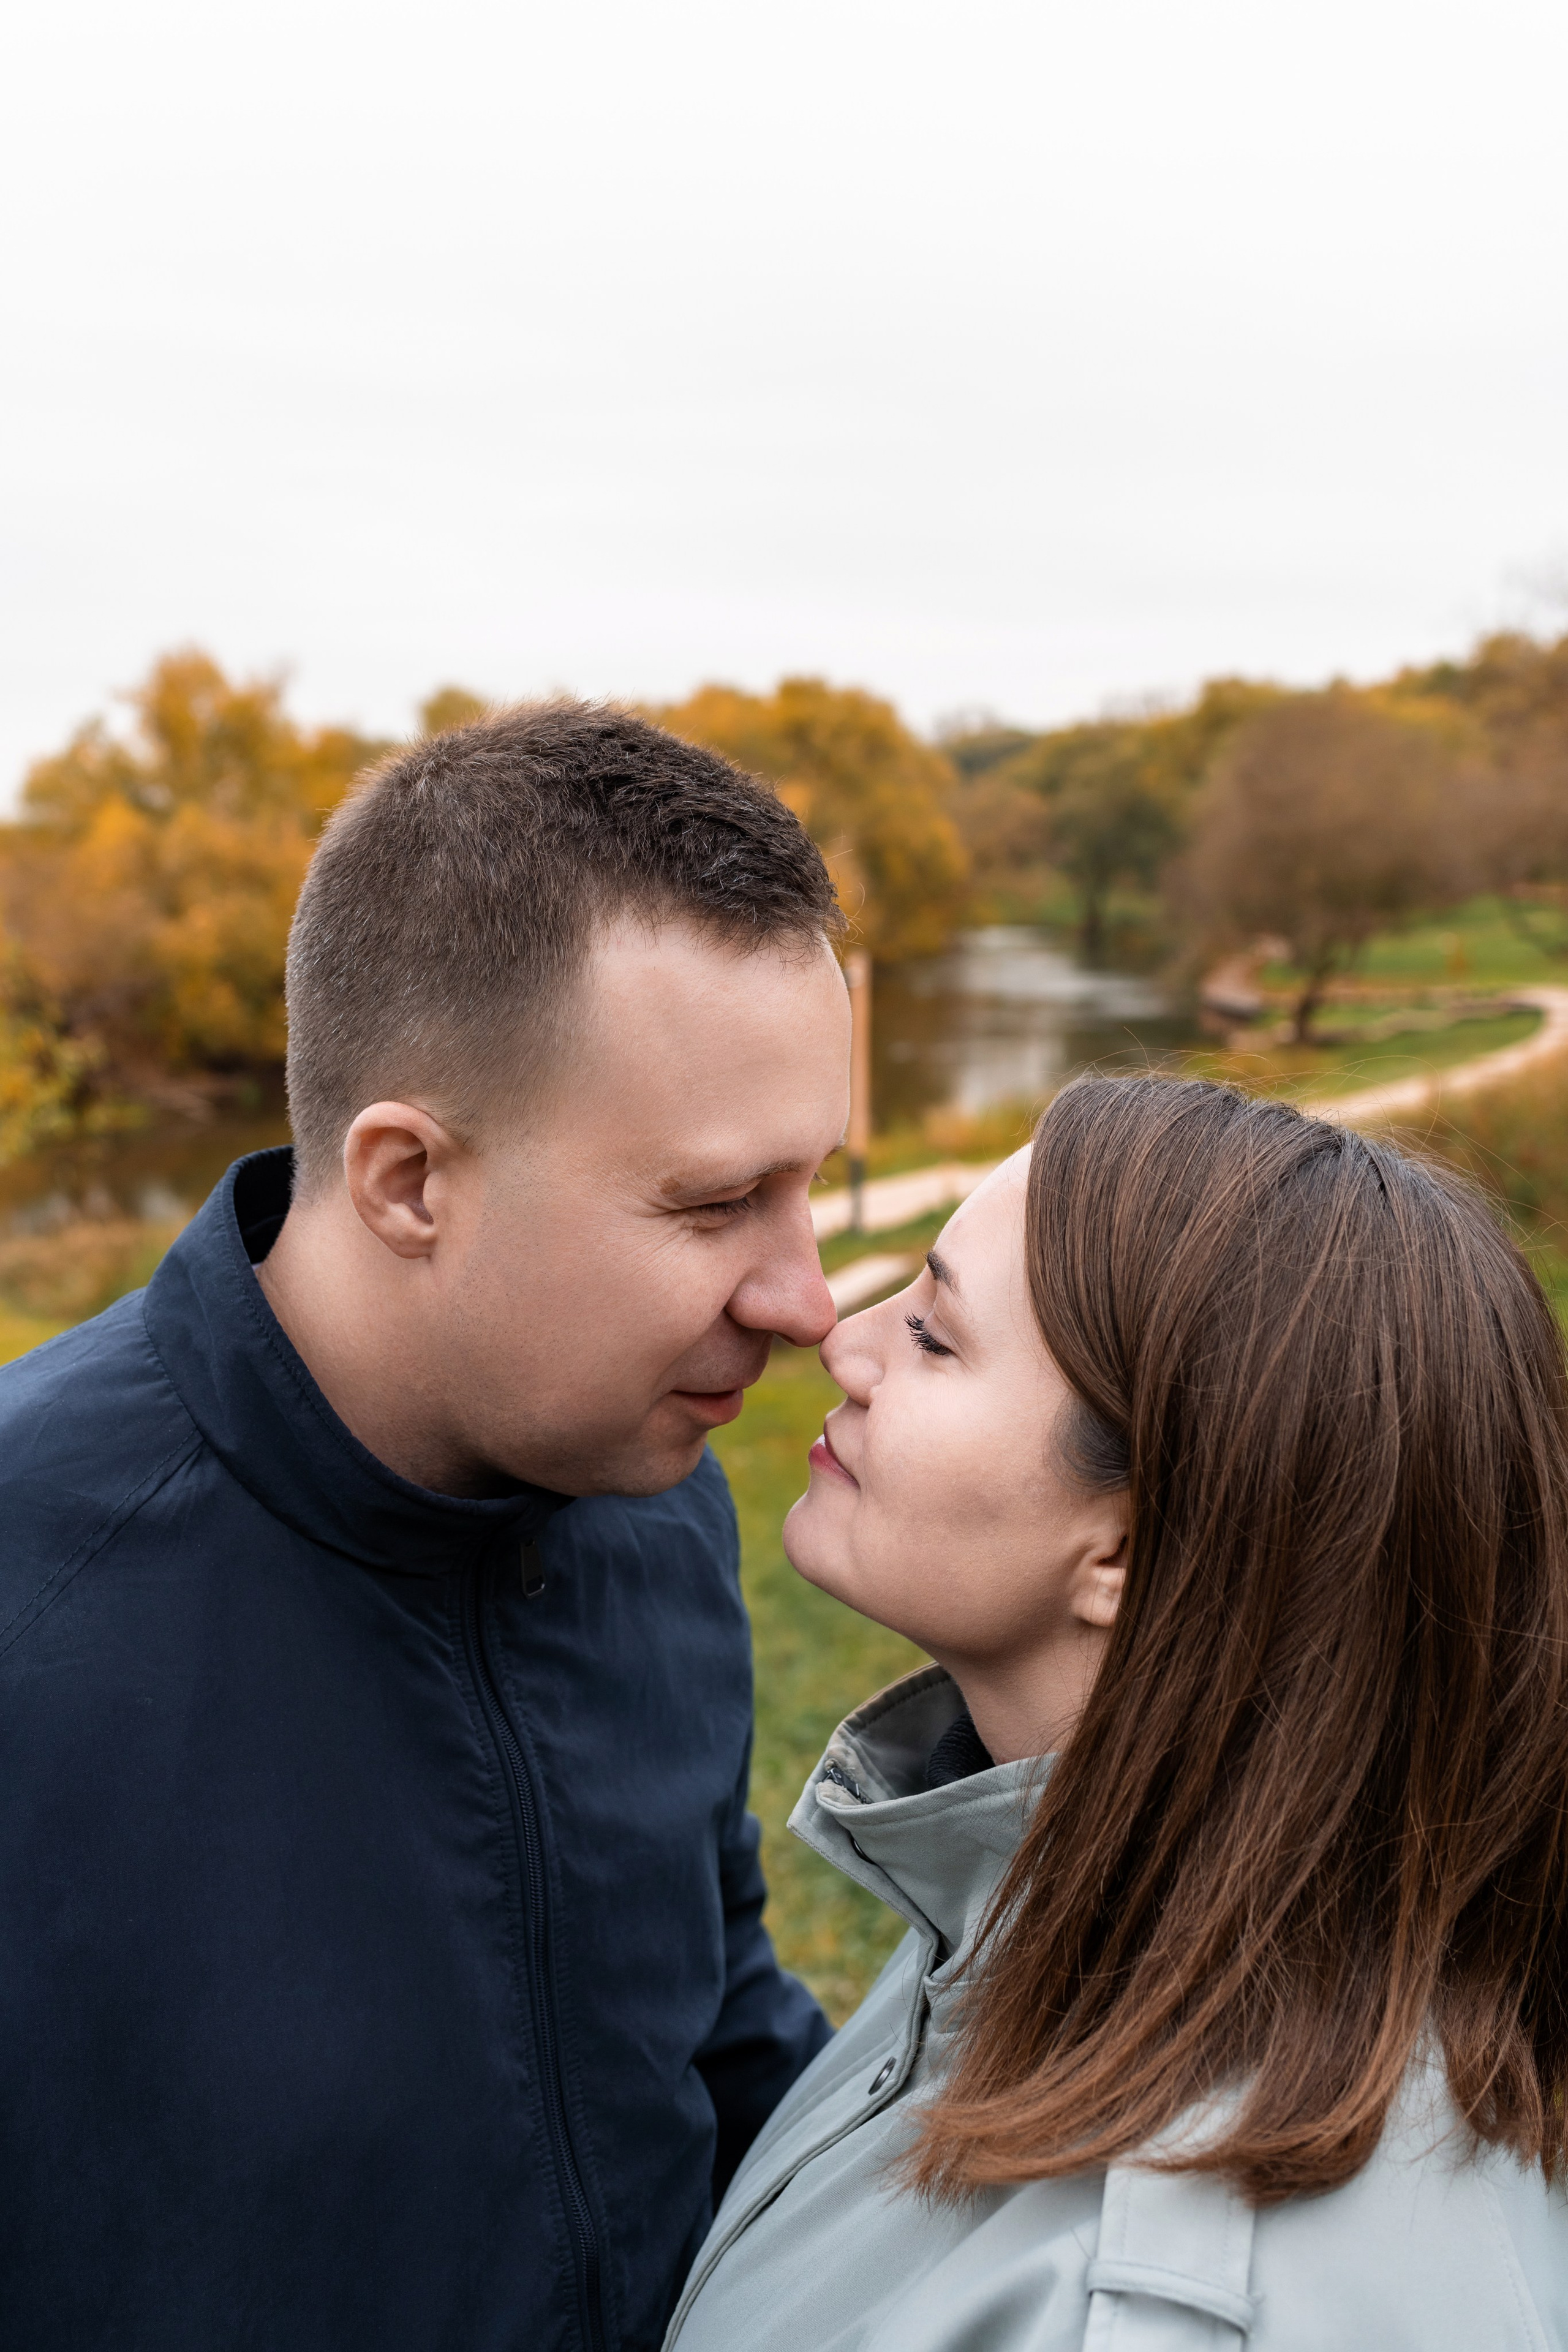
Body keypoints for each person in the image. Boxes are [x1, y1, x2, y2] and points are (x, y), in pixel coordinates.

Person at [0, 702, 853, 2352]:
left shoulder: (650, 1495)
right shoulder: (27, 1604)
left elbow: (710, 2008)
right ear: (407, 1182)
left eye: (812, 1184)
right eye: (711, 1202)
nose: (807, 1295)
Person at [664, 1075, 1568, 2352]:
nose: (841, 1338)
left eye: (932, 1336)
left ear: (1127, 1552)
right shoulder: (1073, 1915)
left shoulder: (1161, 2315)